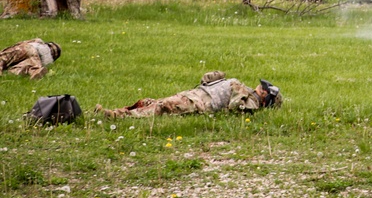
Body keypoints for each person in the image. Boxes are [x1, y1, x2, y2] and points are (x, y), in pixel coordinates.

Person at [96, 71, 282, 118]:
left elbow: (236, 108)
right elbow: (208, 80)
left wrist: (238, 93)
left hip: (199, 103)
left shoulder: (251, 102)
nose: (260, 88)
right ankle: (122, 111)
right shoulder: (246, 91)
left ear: (266, 99)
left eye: (263, 90)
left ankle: (116, 116)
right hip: (196, 93)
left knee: (161, 107)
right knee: (151, 102)